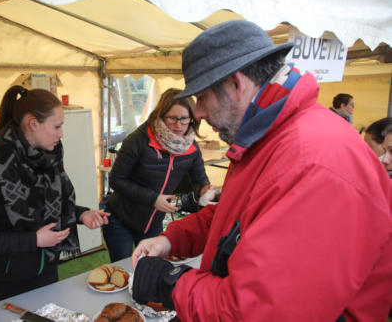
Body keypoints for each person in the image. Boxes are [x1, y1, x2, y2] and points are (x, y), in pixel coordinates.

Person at [131, 20, 392, 321]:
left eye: (202, 97)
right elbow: (237, 216)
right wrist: (172, 239)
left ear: (237, 84)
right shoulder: (270, 138)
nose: (198, 113)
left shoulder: (315, 163)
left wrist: (171, 283)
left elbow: (261, 311)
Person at [0, 85, 110, 306]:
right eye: (56, 126)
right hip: (2, 284)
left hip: (46, 273)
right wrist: (33, 240)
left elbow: (48, 206)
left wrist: (81, 215)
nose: (61, 134)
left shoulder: (46, 158)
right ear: (33, 123)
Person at [102, 88, 212, 262]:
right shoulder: (138, 140)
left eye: (184, 119)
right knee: (123, 269)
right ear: (161, 114)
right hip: (120, 220)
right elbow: (116, 179)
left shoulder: (191, 147)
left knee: (150, 269)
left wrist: (205, 189)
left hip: (153, 223)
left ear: (192, 118)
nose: (178, 126)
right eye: (172, 118)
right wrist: (153, 199)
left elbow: (199, 180)